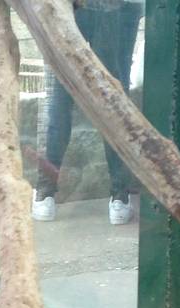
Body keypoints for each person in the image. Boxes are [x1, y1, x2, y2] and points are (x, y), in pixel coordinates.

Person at [32, 0, 144, 226]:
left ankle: (45, 193)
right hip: (117, 6)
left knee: (58, 96)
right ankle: (119, 198)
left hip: (65, 7)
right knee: (115, 95)